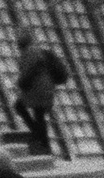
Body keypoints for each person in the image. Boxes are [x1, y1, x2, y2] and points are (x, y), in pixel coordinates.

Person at [12, 24, 71, 157]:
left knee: (20, 107)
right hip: (45, 88)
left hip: (37, 89)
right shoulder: (37, 51)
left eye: (18, 37)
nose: (16, 40)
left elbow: (26, 73)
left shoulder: (29, 52)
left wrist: (20, 83)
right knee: (39, 115)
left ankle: (39, 138)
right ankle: (44, 145)